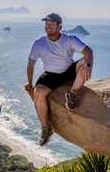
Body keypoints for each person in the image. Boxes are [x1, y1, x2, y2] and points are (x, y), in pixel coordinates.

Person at [24, 13, 93, 146]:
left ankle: (72, 92)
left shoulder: (69, 39)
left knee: (85, 60)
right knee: (38, 92)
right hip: (50, 75)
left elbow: (88, 51)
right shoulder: (39, 43)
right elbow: (31, 63)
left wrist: (88, 66)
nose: (47, 26)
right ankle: (45, 129)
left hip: (69, 71)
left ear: (59, 26)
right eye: (46, 24)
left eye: (51, 24)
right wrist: (30, 83)